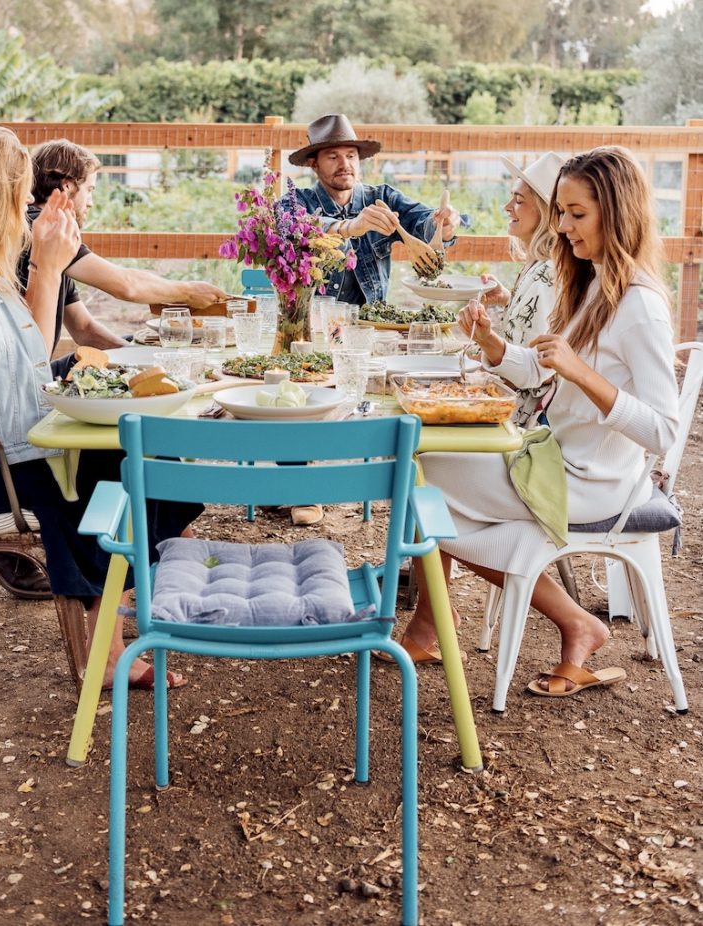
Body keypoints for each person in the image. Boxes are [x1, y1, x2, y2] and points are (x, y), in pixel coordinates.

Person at [0, 128, 199, 690]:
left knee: (159, 459)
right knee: (124, 476)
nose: (25, 207)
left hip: (5, 436)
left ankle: (120, 613)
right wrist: (49, 271)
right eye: (19, 193)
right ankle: (107, 651)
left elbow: (23, 361)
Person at [394, 146, 679, 699]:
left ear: (617, 214)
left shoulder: (640, 305)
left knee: (422, 474)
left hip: (596, 482)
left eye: (578, 214)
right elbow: (538, 370)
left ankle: (453, 626)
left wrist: (586, 376)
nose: (564, 226)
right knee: (425, 477)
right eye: (562, 212)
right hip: (551, 457)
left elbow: (665, 432)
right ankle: (567, 623)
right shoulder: (591, 283)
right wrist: (492, 344)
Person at [18, 139, 230, 364]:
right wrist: (188, 292)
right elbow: (127, 285)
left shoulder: (52, 235)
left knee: (138, 342)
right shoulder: (41, 228)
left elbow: (84, 329)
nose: (90, 202)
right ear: (68, 186)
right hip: (27, 376)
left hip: (37, 366)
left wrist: (147, 359)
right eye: (89, 190)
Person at [289, 114, 467, 305]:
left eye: (351, 156)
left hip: (373, 324)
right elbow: (295, 227)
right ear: (314, 164)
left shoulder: (383, 197)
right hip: (314, 324)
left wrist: (442, 224)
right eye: (333, 157)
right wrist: (348, 227)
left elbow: (422, 223)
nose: (345, 165)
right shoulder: (297, 201)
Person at [477, 151, 563, 426]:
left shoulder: (544, 273)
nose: (507, 206)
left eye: (519, 200)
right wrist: (510, 300)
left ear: (545, 212)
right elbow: (543, 324)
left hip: (528, 422)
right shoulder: (540, 266)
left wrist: (486, 338)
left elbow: (534, 371)